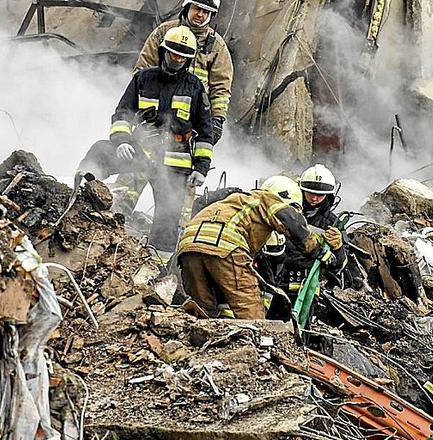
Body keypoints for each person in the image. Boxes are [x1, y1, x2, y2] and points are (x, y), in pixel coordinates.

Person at [78, 26, 214, 258]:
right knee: (100, 151)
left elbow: (205, 131)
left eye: (183, 57)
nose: (178, 59)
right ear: (163, 52)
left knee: (168, 221)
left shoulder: (195, 87)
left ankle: (158, 265)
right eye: (173, 54)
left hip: (175, 165)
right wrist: (121, 141)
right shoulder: (143, 79)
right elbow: (122, 113)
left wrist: (201, 168)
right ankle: (80, 199)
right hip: (141, 153)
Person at [115, 0, 234, 216]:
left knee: (177, 206)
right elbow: (141, 71)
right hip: (149, 129)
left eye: (206, 12)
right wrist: (142, 107)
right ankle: (113, 225)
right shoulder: (164, 33)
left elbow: (221, 89)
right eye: (197, 9)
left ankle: (171, 241)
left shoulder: (216, 46)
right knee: (126, 189)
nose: (201, 15)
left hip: (186, 132)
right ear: (187, 7)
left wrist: (216, 121)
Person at [177, 176, 330, 319]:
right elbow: (292, 222)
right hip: (225, 245)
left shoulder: (235, 202)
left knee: (203, 309)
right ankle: (257, 345)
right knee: (250, 311)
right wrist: (317, 250)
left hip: (188, 246)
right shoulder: (268, 200)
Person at [267, 164, 346, 320]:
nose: (314, 198)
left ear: (328, 196)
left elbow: (339, 266)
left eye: (320, 195)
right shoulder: (286, 211)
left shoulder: (331, 223)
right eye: (310, 193)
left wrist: (338, 248)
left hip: (306, 291)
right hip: (273, 284)